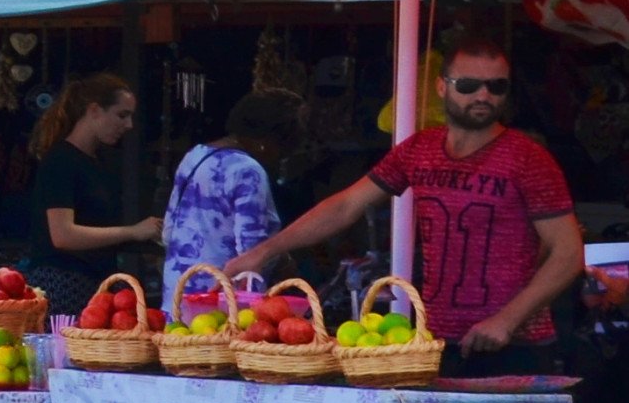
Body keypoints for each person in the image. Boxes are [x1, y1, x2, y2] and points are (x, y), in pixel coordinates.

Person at [230, 35, 583, 374]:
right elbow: (346, 205)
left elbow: (568, 252)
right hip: (435, 341)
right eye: (468, 85)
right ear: (442, 86)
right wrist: (264, 251)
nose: (483, 95)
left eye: (497, 87)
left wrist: (507, 320)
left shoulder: (528, 158)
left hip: (514, 347)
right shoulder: (419, 150)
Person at [157, 88, 302, 296]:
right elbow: (252, 254)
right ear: (266, 142)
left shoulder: (194, 156)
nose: (279, 159)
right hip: (223, 304)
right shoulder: (247, 170)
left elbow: (168, 233)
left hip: (178, 295)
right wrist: (284, 262)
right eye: (282, 150)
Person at [27, 73, 163, 287]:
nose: (128, 125)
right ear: (94, 111)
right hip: (63, 283)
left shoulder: (100, 162)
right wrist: (133, 231)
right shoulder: (60, 160)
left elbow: (99, 229)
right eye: (122, 115)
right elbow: (63, 235)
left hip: (97, 281)